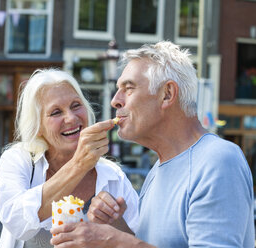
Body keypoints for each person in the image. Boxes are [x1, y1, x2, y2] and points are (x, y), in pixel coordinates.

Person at [51, 41, 255, 247]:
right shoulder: (157, 170)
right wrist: (115, 226)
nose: (115, 101)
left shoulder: (218, 160)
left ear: (167, 94)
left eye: (128, 89)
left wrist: (115, 241)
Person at [0, 68, 139, 248]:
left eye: (76, 105)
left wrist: (115, 224)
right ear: (38, 126)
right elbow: (15, 222)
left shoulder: (112, 175)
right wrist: (79, 165)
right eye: (56, 112)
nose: (71, 118)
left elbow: (140, 240)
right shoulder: (19, 160)